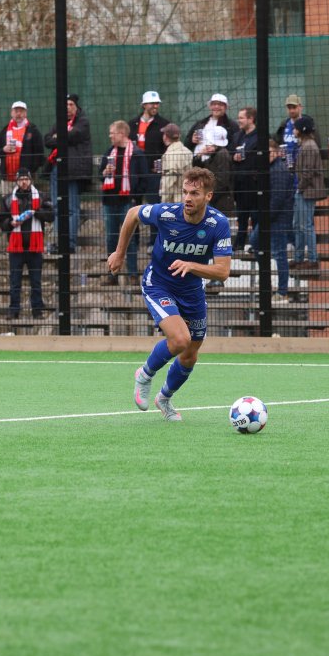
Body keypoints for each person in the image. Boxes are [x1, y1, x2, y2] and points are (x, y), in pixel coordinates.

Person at [109, 167, 232, 422]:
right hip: (159, 284)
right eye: (185, 192)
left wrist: (191, 266)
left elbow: (222, 272)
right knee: (179, 340)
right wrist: (119, 253)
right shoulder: (166, 213)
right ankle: (144, 375)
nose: (187, 198)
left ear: (208, 196)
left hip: (192, 291)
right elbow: (132, 214)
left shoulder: (218, 224)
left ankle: (164, 398)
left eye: (194, 193)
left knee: (190, 354)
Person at [99, 120, 154, 286]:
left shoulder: (137, 153)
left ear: (122, 133)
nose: (110, 136)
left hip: (128, 202)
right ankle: (112, 274)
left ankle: (132, 274)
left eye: (112, 133)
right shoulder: (109, 152)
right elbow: (100, 175)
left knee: (129, 238)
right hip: (110, 201)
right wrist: (105, 172)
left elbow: (144, 179)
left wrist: (135, 196)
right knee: (111, 238)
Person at [0, 168, 54, 318]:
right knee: (15, 282)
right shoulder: (7, 199)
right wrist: (11, 223)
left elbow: (51, 216)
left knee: (36, 281)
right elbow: (1, 222)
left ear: (30, 180)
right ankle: (14, 310)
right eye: (21, 179)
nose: (24, 182)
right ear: (17, 181)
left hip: (35, 247)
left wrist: (36, 212)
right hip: (16, 247)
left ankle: (37, 310)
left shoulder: (41, 197)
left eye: (26, 179)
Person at [44, 94, 92, 253]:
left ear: (76, 107)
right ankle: (59, 243)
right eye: (65, 104)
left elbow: (72, 136)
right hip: (55, 169)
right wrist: (61, 137)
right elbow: (47, 140)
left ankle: (69, 244)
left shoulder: (83, 122)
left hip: (73, 171)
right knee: (57, 208)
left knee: (71, 208)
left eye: (71, 104)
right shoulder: (59, 122)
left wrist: (58, 136)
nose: (68, 108)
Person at [0, 100, 45, 194]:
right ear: (11, 113)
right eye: (16, 111)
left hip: (25, 179)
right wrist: (3, 150)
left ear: (25, 113)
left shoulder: (33, 130)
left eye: (21, 111)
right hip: (7, 180)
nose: (18, 114)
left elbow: (39, 155)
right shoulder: (4, 131)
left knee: (27, 201)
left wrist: (30, 172)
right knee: (8, 202)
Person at [293, 116, 325, 268]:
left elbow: (308, 172)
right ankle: (298, 257)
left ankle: (313, 259)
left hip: (307, 191)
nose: (294, 130)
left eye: (296, 128)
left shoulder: (310, 146)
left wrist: (300, 187)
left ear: (302, 130)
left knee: (306, 225)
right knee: (298, 225)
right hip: (304, 190)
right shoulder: (305, 145)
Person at [267, 139, 295, 302]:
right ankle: (271, 284)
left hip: (277, 218)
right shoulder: (271, 168)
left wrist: (266, 217)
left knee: (279, 253)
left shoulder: (278, 170)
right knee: (256, 243)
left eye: (270, 152)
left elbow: (277, 198)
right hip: (271, 217)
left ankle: (282, 291)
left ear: (277, 153)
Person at [230, 106, 259, 253]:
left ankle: (256, 243)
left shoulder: (259, 137)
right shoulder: (237, 136)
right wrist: (234, 157)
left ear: (251, 119)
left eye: (241, 118)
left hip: (254, 184)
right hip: (239, 183)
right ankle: (239, 244)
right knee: (241, 216)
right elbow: (230, 153)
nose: (239, 120)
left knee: (255, 216)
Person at [127, 91, 170, 188]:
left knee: (153, 196)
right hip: (135, 170)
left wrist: (162, 165)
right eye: (152, 103)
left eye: (157, 103)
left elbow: (168, 147)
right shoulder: (132, 124)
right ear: (144, 105)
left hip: (154, 172)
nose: (156, 106)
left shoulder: (164, 124)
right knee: (136, 196)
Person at [191, 124, 234, 217]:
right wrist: (199, 155)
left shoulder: (222, 154)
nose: (207, 146)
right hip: (216, 197)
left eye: (210, 143)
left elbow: (222, 179)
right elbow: (199, 167)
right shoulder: (214, 155)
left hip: (221, 199)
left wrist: (210, 193)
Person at [273, 94, 313, 173]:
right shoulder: (284, 125)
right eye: (289, 108)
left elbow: (315, 145)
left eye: (294, 107)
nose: (291, 110)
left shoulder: (309, 125)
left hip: (303, 168)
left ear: (300, 107)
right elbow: (278, 143)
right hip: (286, 169)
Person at [158, 123, 192, 204]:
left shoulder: (170, 154)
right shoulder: (187, 152)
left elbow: (169, 180)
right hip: (186, 195)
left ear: (165, 136)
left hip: (174, 200)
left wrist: (164, 201)